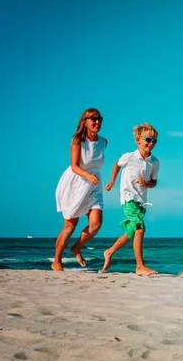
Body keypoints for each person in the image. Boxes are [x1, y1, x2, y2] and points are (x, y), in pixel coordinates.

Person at [52, 108, 107, 271]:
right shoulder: (78, 140)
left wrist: (92, 178)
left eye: (99, 119)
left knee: (96, 224)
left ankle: (76, 248)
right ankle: (57, 261)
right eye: (93, 119)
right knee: (70, 225)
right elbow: (75, 166)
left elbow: (95, 164)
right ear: (85, 122)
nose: (97, 122)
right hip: (76, 183)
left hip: (94, 185)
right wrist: (87, 175)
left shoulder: (104, 141)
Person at [102, 123, 160, 276]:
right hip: (128, 199)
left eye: (154, 141)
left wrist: (146, 184)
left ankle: (109, 252)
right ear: (138, 140)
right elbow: (116, 165)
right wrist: (113, 181)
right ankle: (140, 266)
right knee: (140, 228)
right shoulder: (129, 157)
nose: (151, 143)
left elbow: (154, 182)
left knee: (131, 233)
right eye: (148, 139)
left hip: (142, 201)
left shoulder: (155, 162)